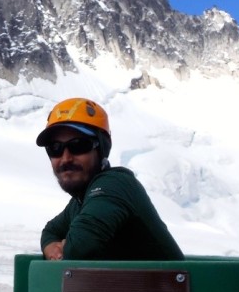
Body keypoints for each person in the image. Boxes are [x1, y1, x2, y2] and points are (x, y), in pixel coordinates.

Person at [36, 97, 184, 261]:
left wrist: (67, 248)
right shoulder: (79, 202)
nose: (65, 158)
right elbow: (50, 231)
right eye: (55, 149)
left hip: (169, 287)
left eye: (79, 145)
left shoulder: (114, 184)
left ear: (101, 148)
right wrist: (54, 249)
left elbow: (78, 248)